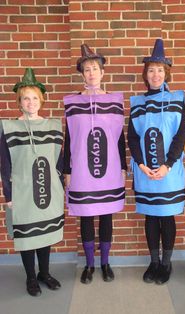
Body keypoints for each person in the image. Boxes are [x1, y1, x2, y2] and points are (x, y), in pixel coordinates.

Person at [63, 44, 126, 284]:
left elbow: (119, 136)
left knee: (107, 214)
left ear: (102, 73)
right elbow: (69, 137)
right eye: (87, 69)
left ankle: (105, 263)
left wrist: (122, 167)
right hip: (80, 167)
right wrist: (67, 170)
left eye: (95, 69)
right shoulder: (73, 103)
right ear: (82, 74)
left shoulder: (114, 102)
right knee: (86, 215)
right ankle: (89, 265)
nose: (91, 73)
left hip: (109, 167)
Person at [0, 68, 64, 296]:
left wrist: (61, 191)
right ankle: (30, 277)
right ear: (19, 101)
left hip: (49, 189)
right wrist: (8, 196)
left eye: (35, 97)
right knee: (27, 236)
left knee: (45, 234)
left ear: (41, 100)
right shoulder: (9, 128)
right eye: (26, 98)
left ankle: (44, 273)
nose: (30, 102)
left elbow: (59, 162)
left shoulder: (53, 126)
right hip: (23, 192)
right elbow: (5, 164)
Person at [128, 38, 185, 284]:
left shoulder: (176, 100)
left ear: (166, 73)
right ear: (145, 74)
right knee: (151, 216)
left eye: (160, 70)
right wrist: (141, 166)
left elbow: (180, 137)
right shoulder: (138, 104)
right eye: (151, 70)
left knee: (167, 216)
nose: (155, 74)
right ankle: (153, 262)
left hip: (169, 173)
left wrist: (167, 165)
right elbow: (131, 138)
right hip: (145, 173)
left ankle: (166, 263)